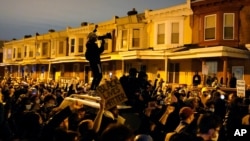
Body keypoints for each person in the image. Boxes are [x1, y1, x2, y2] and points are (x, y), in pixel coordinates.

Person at [85, 27, 105, 95]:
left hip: (92, 63)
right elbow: (99, 51)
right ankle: (95, 88)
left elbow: (90, 36)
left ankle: (92, 89)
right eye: (95, 38)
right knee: (99, 75)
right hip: (97, 63)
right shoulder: (93, 45)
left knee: (96, 76)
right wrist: (102, 44)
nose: (96, 39)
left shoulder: (88, 44)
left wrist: (94, 30)